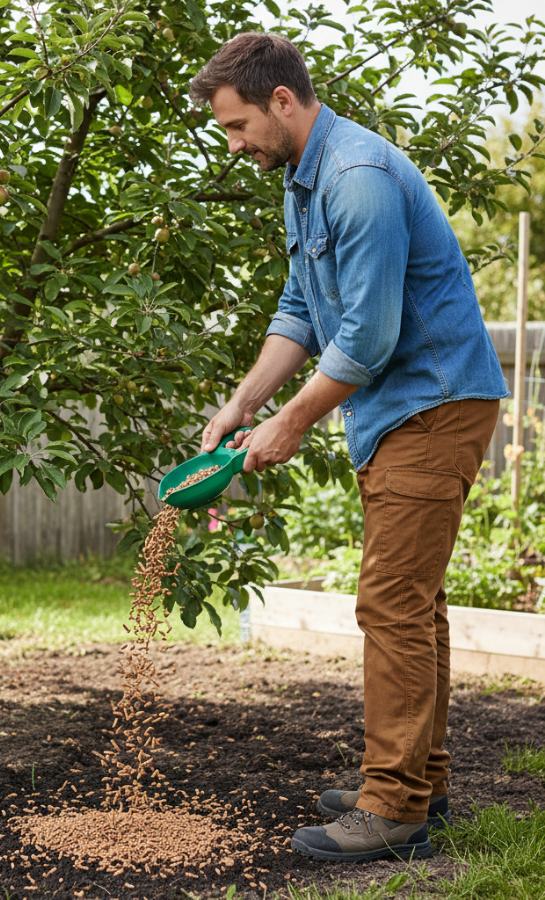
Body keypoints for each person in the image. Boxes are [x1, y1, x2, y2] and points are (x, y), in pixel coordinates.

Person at [189, 33, 508, 862]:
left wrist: (289, 424)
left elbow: (366, 337)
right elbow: (302, 308)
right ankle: (420, 784)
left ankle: (393, 807)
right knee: (415, 604)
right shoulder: (303, 178)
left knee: (389, 602)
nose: (234, 145)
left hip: (432, 406)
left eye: (237, 126)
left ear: (282, 102)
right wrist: (239, 407)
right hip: (398, 413)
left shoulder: (356, 179)